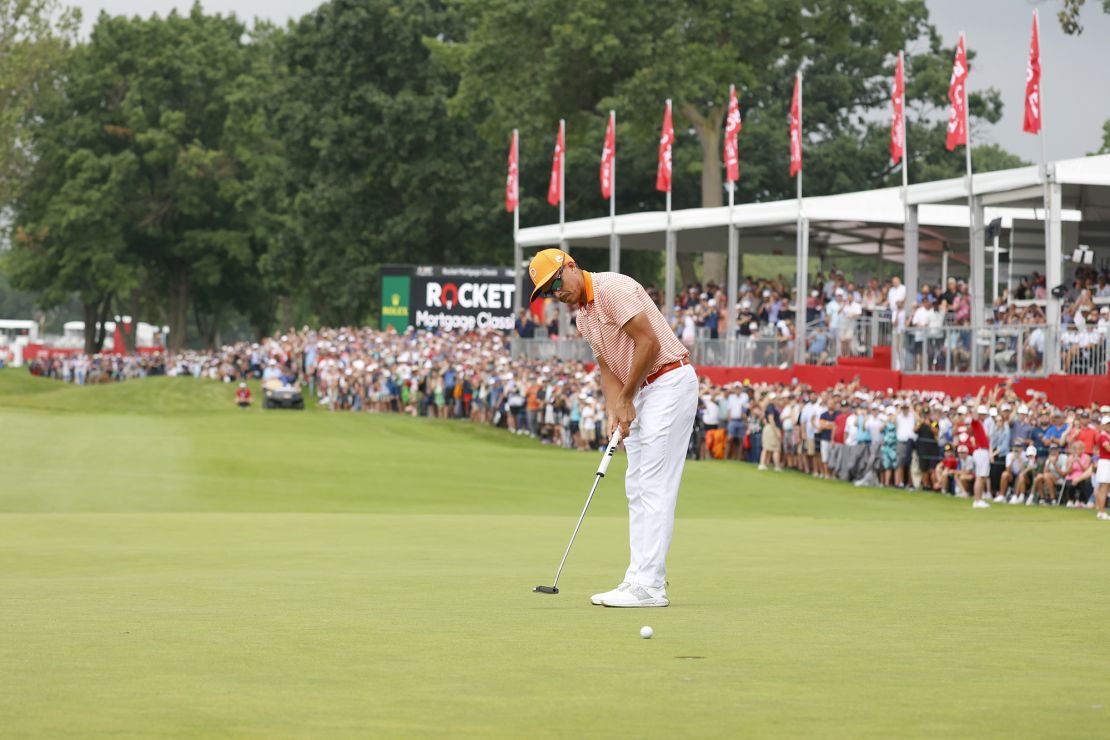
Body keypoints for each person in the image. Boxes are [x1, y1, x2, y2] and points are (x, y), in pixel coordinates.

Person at [528, 248, 697, 608]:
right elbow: (607, 364)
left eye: (556, 282)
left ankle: (651, 585)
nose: (556, 294)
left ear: (571, 266)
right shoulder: (583, 318)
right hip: (642, 390)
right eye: (547, 292)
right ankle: (637, 577)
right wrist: (613, 410)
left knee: (653, 484)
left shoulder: (612, 289)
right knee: (635, 485)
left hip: (668, 381)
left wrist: (626, 398)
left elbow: (648, 343)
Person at [1095, 415, 1110, 520]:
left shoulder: (1106, 436)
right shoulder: (1103, 436)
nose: (1109, 426)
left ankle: (1100, 512)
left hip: (1105, 463)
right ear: (1103, 426)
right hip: (1105, 463)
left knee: (1103, 488)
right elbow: (1108, 448)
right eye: (1107, 424)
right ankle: (1101, 511)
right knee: (1103, 488)